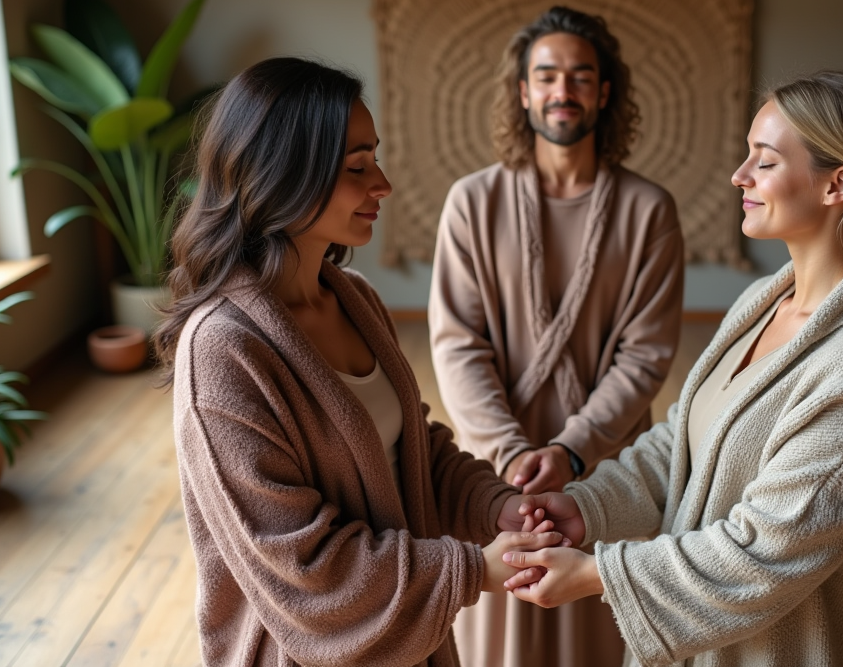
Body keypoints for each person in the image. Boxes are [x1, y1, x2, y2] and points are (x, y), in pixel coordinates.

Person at [502, 70, 843, 667]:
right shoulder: (762, 301)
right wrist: (587, 507)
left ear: (837, 183)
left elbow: (766, 551)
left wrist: (598, 574)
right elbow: (683, 441)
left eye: (765, 161)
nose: (740, 175)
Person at [155, 57, 567, 667]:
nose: (383, 184)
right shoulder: (222, 351)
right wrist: (474, 569)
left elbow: (413, 449)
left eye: (374, 159)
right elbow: (302, 565)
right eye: (357, 167)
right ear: (283, 173)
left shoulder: (356, 300)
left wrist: (496, 505)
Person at [428, 7, 685, 667]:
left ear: (604, 92)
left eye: (580, 76)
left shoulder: (649, 211)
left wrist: (572, 453)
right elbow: (457, 345)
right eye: (546, 76)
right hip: (498, 474)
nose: (562, 90)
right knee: (502, 636)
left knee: (597, 637)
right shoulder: (472, 203)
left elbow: (645, 355)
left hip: (604, 472)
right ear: (523, 92)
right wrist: (512, 456)